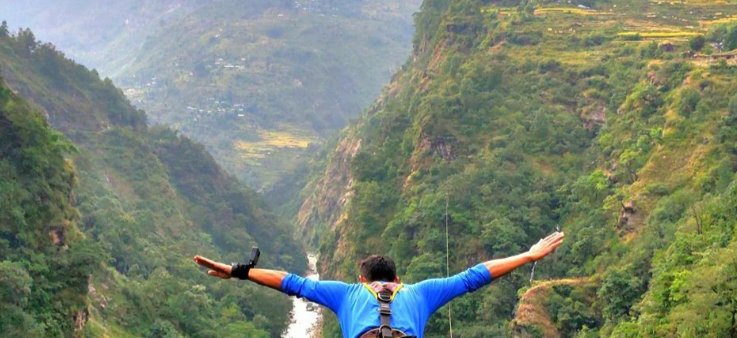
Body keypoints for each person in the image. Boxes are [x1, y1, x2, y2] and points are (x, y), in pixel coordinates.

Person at [194, 231, 564, 338]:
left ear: (363, 280)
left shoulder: (347, 293)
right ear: (397, 280)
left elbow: (289, 283)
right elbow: (476, 276)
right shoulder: (420, 292)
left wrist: (239, 271)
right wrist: (528, 256)